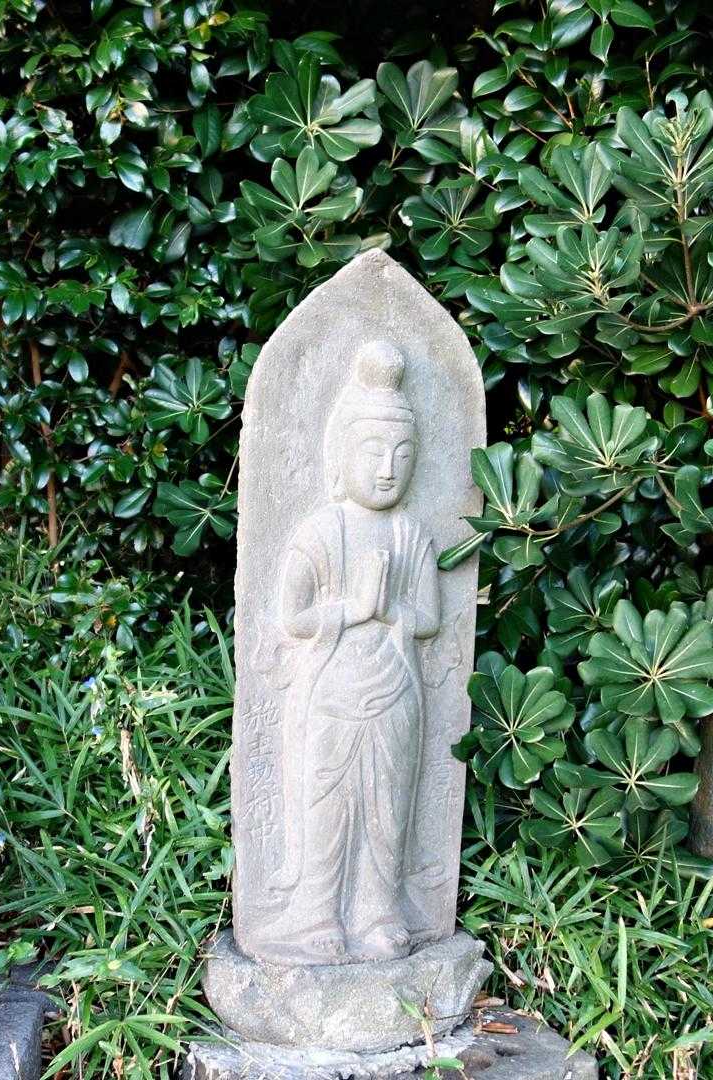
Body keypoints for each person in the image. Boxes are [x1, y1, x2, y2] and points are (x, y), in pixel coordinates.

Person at [263, 340, 442, 965]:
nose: (388, 469)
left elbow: (429, 620)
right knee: (328, 803)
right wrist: (351, 609)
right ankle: (318, 912)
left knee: (387, 808)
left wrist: (388, 610)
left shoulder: (411, 533)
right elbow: (291, 617)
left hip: (394, 691)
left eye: (403, 454)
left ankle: (378, 911)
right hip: (333, 692)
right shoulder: (320, 530)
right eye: (373, 451)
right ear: (341, 454)